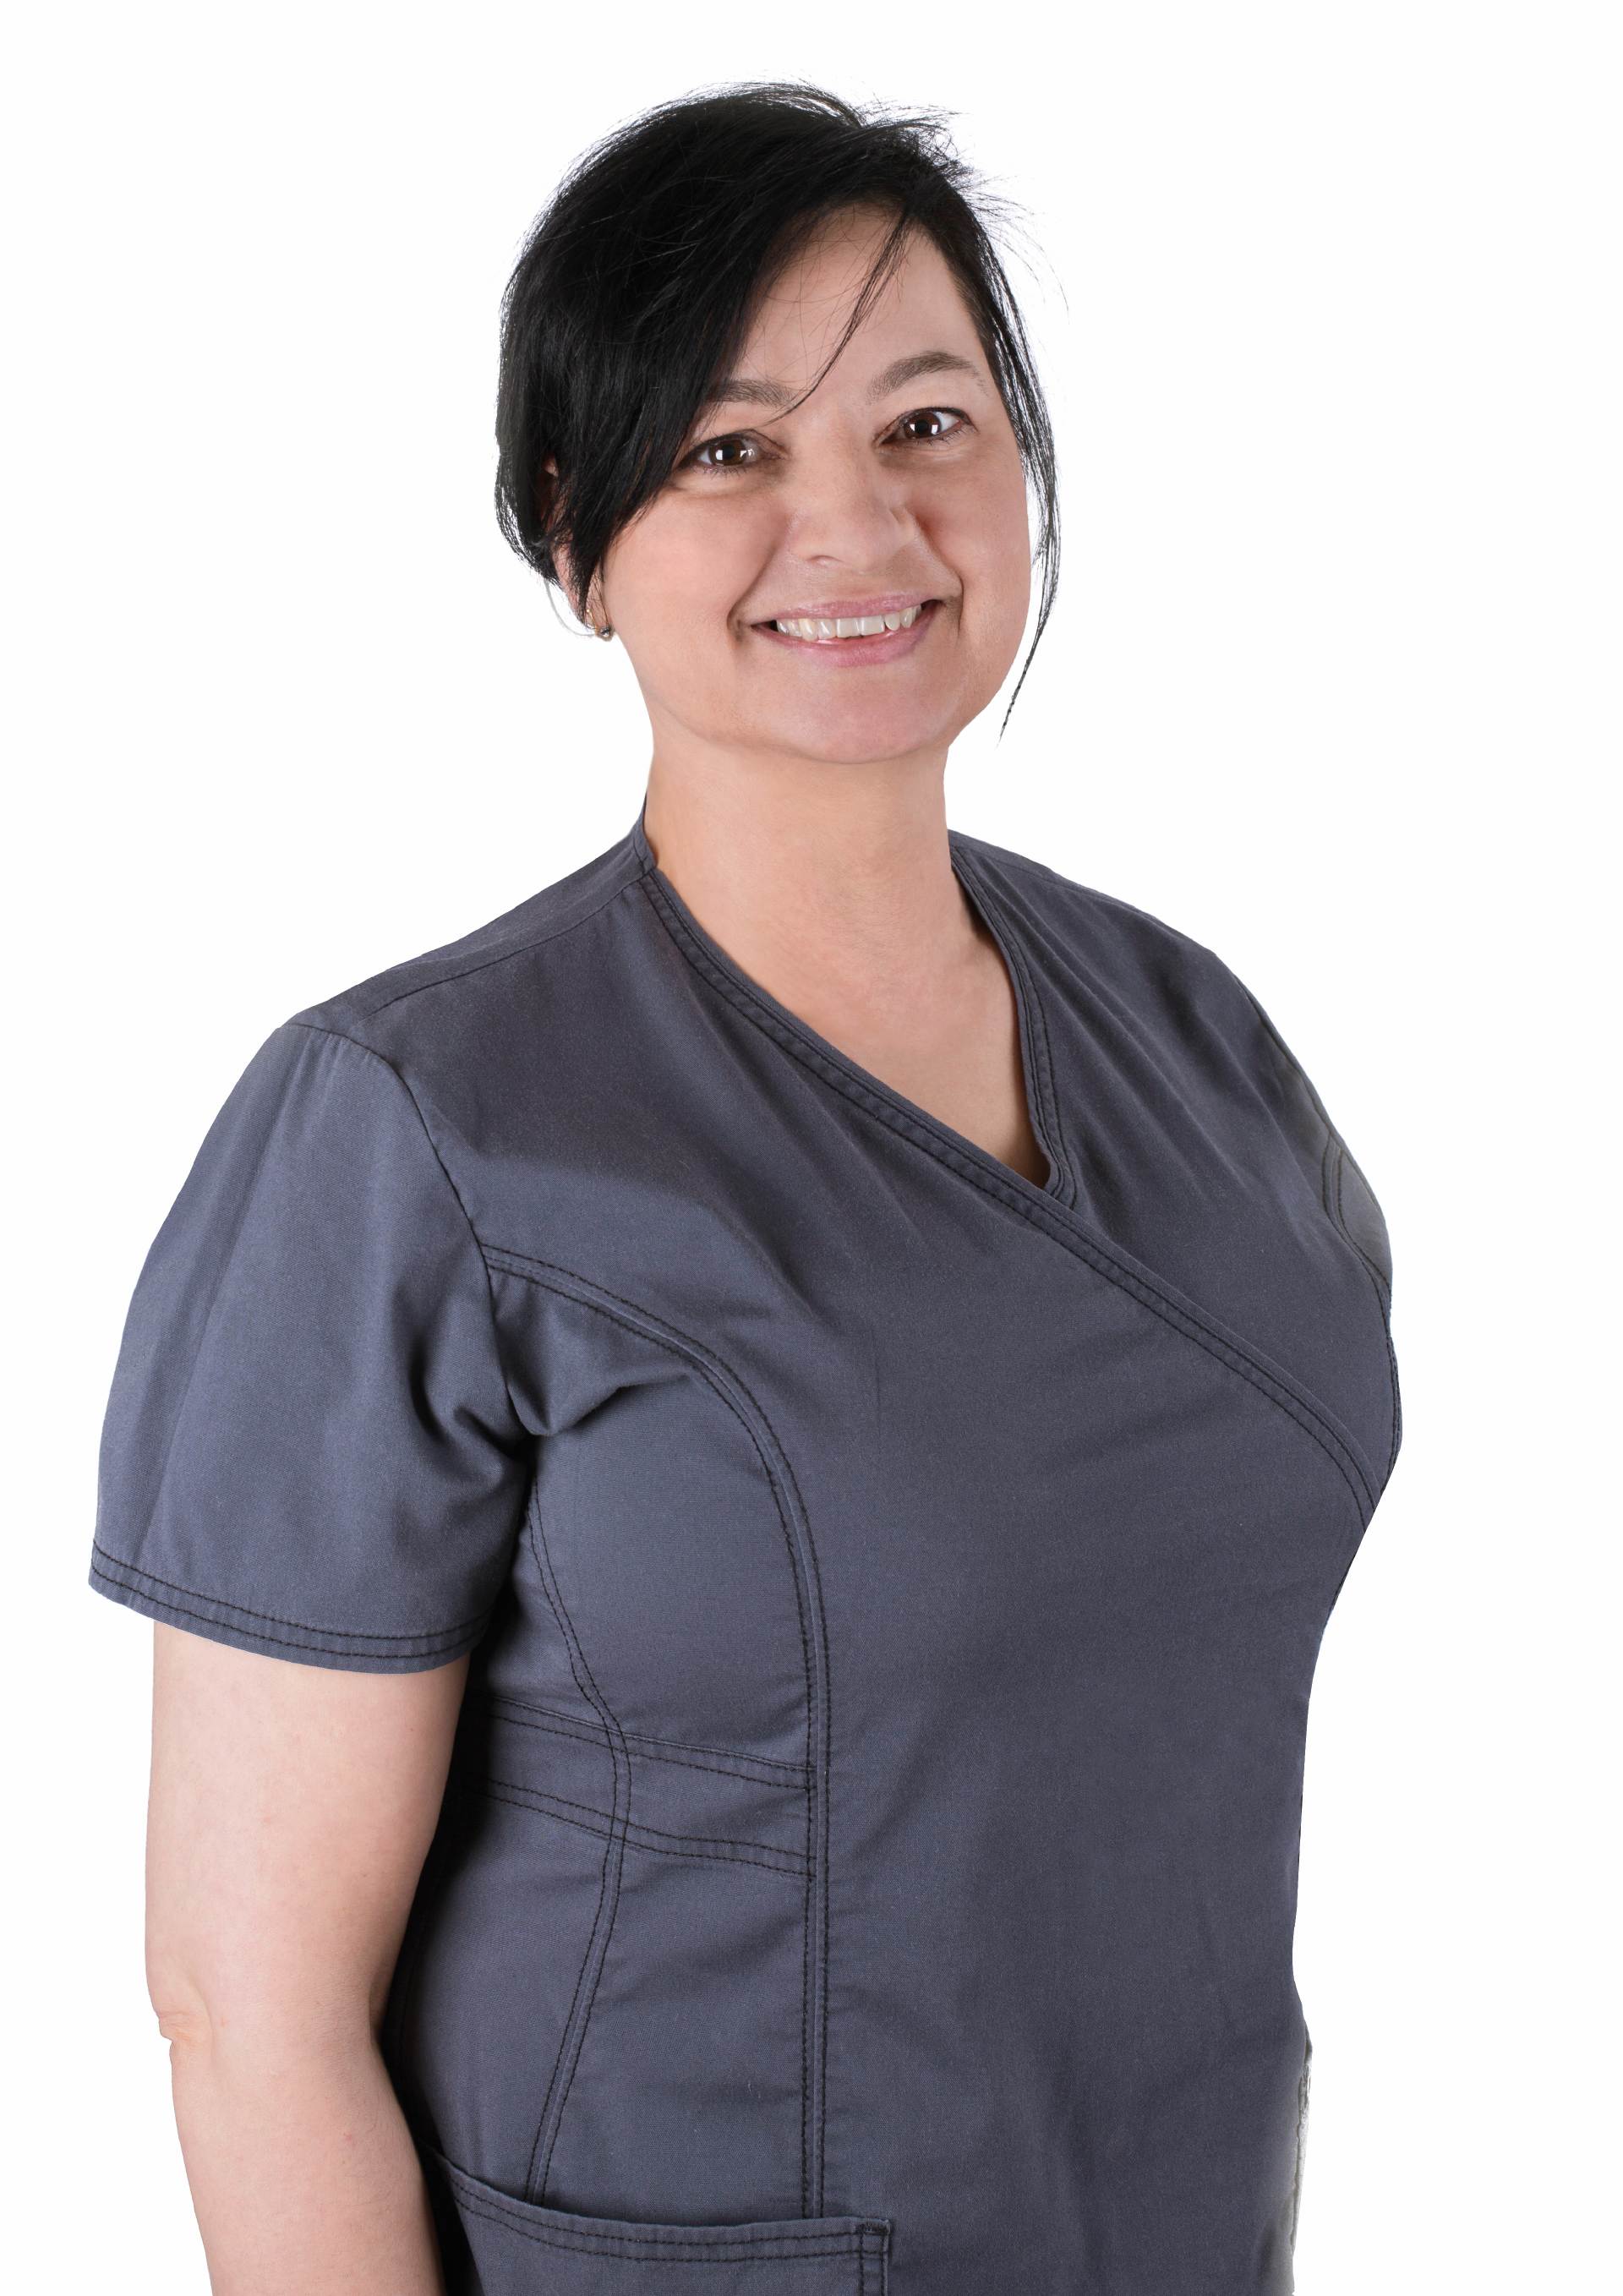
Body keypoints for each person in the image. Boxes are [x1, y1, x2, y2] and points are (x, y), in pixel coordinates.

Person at [88, 80, 1402, 2296]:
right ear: (573, 533)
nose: (856, 524)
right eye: (727, 450)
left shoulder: (1193, 1042)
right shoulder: (412, 1129)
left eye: (927, 423)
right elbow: (250, 2012)